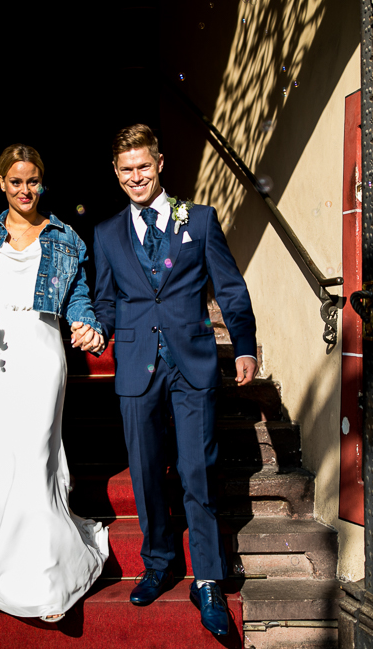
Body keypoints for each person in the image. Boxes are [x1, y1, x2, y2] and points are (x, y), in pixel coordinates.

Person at [91, 124, 258, 636]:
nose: (136, 176)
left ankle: (206, 579)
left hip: (192, 363)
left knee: (197, 468)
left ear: (160, 163)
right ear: (116, 175)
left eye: (144, 166)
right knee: (143, 470)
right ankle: (159, 561)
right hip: (137, 365)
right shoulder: (106, 234)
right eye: (126, 170)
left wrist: (246, 345)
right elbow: (105, 300)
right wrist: (97, 331)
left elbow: (230, 287)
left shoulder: (200, 221)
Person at [0, 144, 107, 623]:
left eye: (32, 181)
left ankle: (41, 579)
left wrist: (87, 327)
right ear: (1, 184)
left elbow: (78, 298)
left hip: (40, 351)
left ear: (42, 182)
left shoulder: (65, 237)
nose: (24, 190)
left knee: (35, 458)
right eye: (15, 181)